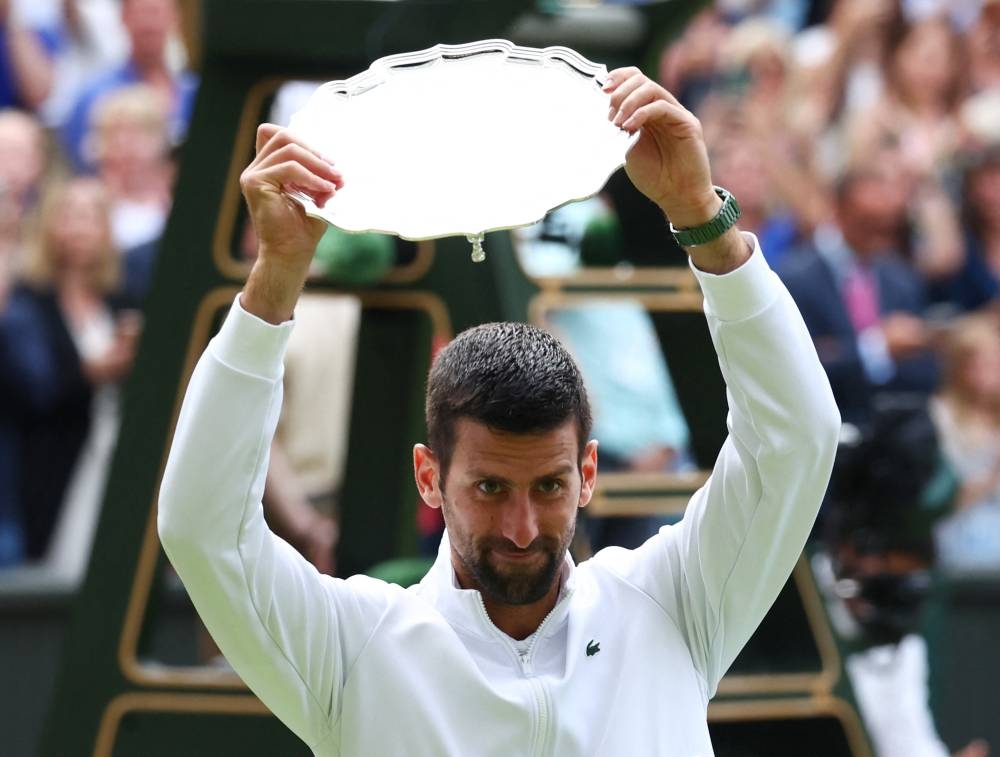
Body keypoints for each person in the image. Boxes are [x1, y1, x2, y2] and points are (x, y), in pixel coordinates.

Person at [158, 68, 841, 754]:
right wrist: (276, 274)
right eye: (490, 487)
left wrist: (703, 217)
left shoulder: (672, 604)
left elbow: (796, 439)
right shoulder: (353, 645)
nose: (522, 527)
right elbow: (199, 528)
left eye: (550, 485)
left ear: (589, 471)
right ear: (429, 476)